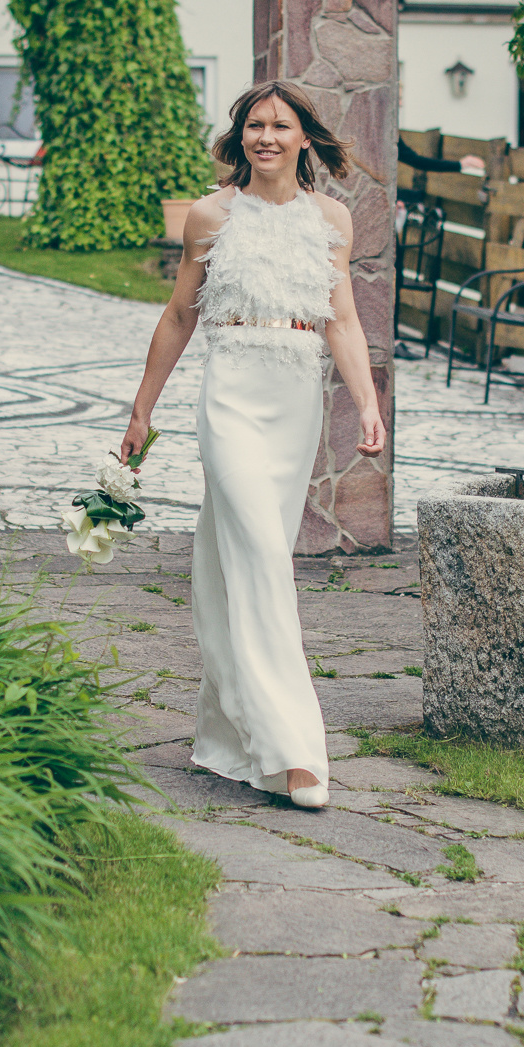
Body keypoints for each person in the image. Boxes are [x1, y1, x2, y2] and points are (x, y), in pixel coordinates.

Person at [119, 82, 387, 810]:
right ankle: (292, 749)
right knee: (264, 558)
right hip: (231, 392)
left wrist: (366, 403)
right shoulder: (211, 215)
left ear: (304, 138)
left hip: (295, 397)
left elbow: (343, 322)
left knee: (231, 559)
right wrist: (142, 411)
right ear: (240, 138)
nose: (266, 136)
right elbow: (180, 314)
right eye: (254, 125)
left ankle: (230, 734)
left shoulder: (330, 219)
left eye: (280, 125)